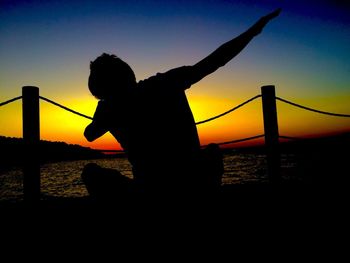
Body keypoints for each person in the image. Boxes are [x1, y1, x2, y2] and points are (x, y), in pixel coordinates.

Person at [82, 8, 281, 197]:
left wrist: (101, 115)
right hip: (195, 183)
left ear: (101, 90)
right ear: (128, 74)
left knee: (91, 173)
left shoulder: (109, 109)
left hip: (150, 189)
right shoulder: (166, 82)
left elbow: (90, 135)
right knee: (212, 151)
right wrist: (253, 32)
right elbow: (214, 61)